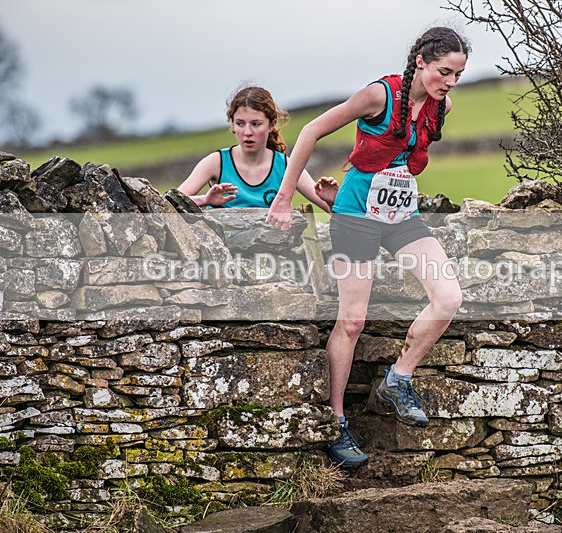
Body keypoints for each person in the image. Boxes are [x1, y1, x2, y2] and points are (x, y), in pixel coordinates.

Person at [266, 27, 469, 466]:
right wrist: (284, 197)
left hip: (401, 217)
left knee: (449, 296)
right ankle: (336, 423)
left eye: (457, 74)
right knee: (352, 322)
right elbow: (310, 132)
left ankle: (398, 378)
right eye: (444, 72)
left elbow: (402, 164)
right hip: (356, 217)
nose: (450, 82)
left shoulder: (442, 107)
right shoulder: (379, 94)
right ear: (420, 61)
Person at [178, 85, 337, 211]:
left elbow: (334, 212)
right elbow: (168, 204)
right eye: (240, 124)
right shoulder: (216, 162)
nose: (247, 132)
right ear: (232, 123)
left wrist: (331, 201)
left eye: (256, 124)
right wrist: (204, 200)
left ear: (272, 124)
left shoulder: (286, 166)